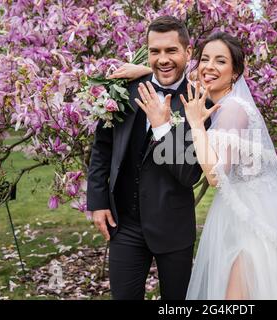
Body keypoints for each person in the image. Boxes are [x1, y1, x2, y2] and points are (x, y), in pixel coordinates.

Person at [111, 32, 277, 299]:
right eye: (205, 59)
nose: (209, 67)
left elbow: (215, 176)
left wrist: (196, 124)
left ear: (235, 72)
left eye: (220, 61)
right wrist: (143, 70)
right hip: (238, 209)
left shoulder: (233, 110)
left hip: (255, 218)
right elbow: (179, 77)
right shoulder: (214, 95)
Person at [86, 16, 215, 300]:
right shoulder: (124, 88)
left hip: (173, 228)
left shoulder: (199, 104)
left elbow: (190, 175)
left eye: (171, 51)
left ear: (188, 52)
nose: (162, 59)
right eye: (155, 51)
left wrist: (162, 128)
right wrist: (97, 203)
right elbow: (102, 148)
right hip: (125, 225)